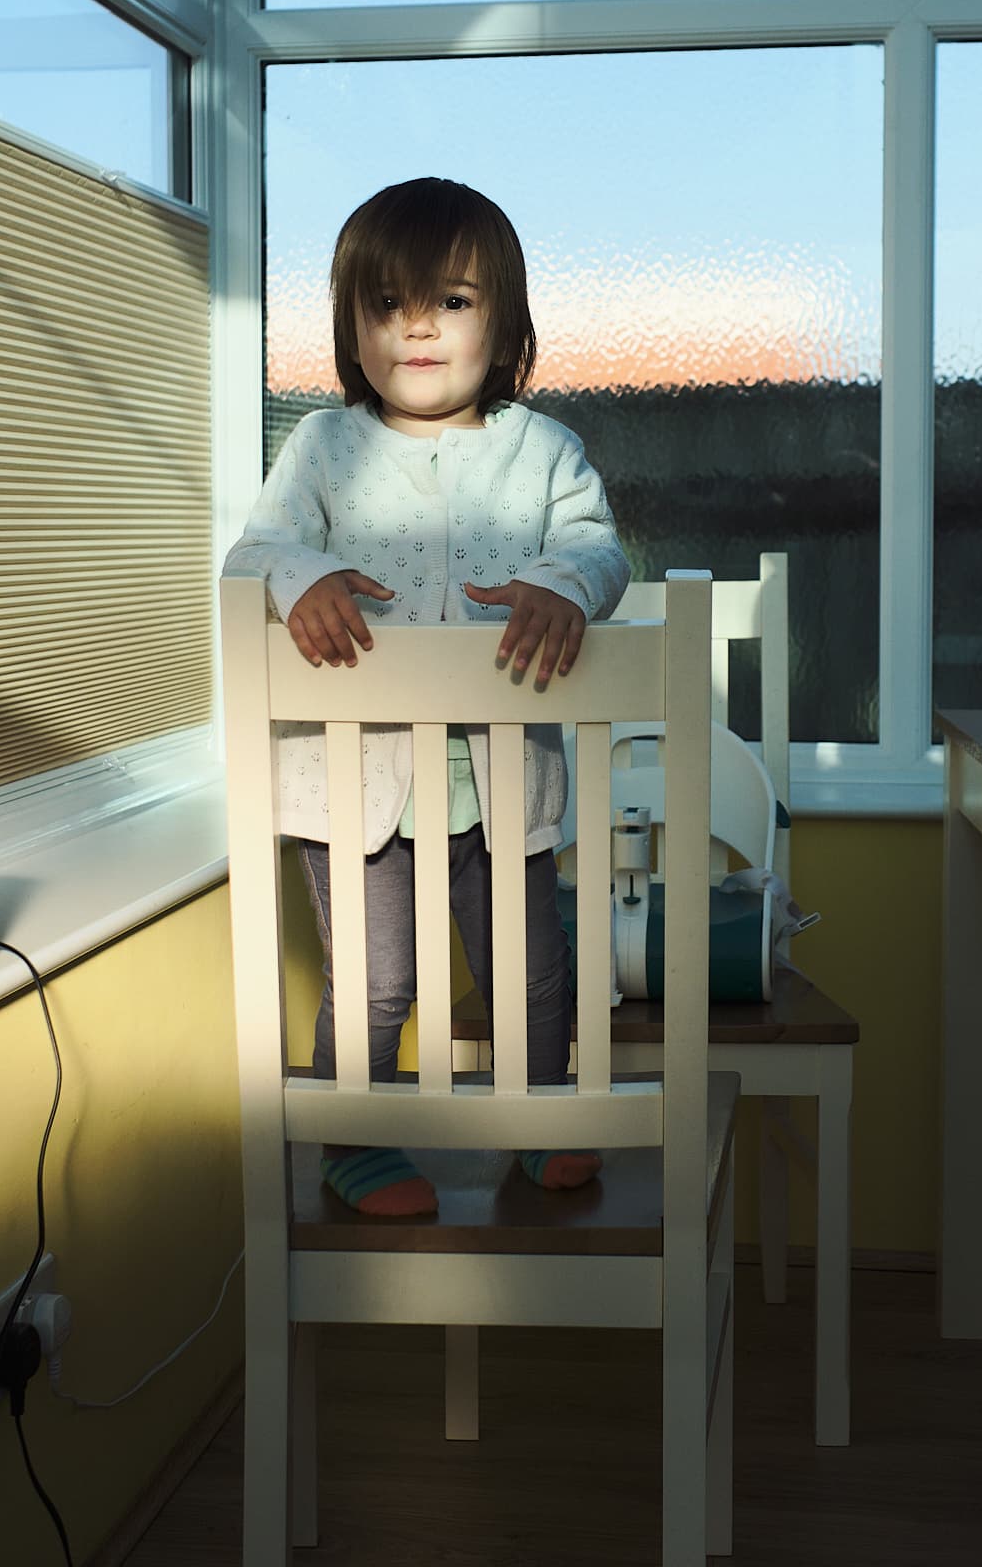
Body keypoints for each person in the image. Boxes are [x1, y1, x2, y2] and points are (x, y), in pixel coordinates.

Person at [224, 175, 631, 1218]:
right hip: (356, 784)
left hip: (502, 778)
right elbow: (258, 547)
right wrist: (295, 579)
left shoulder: (544, 450)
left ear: (504, 327)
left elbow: (596, 545)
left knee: (533, 973)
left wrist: (560, 582)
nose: (416, 325)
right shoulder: (321, 446)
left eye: (449, 300)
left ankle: (539, 1120)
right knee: (377, 977)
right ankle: (350, 1138)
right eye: (386, 303)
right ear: (351, 328)